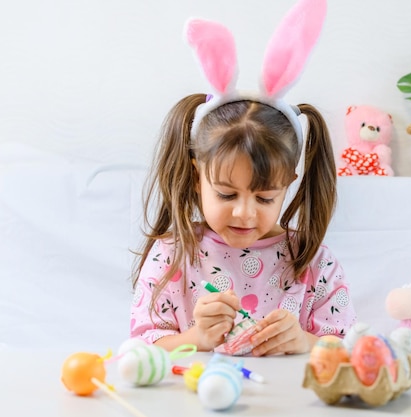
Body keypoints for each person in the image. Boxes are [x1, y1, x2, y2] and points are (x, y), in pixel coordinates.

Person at [130, 0, 356, 356]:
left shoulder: (314, 263)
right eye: (226, 194)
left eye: (265, 198)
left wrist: (304, 342)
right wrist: (197, 339)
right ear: (196, 176)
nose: (245, 214)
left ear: (290, 181)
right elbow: (139, 350)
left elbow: (352, 350)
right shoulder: (172, 257)